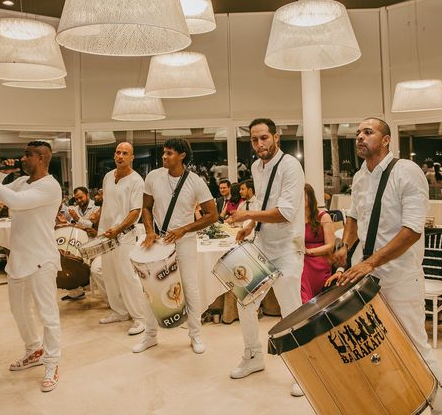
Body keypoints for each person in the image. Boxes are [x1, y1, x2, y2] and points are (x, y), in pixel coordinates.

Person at [326, 118, 442, 414]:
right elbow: (354, 219)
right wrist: (344, 247)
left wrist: (370, 262)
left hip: (399, 275)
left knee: (414, 346)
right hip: (364, 272)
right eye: (358, 133)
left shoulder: (406, 172)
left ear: (386, 140)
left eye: (368, 132)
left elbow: (412, 230)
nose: (360, 137)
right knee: (371, 346)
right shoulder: (360, 177)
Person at [0, 141, 62, 392]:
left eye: (27, 155)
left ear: (41, 158)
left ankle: (52, 362)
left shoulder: (50, 186)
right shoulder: (20, 182)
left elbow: (16, 202)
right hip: (19, 258)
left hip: (42, 258)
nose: (22, 158)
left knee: (47, 315)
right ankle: (34, 350)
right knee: (19, 310)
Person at [228, 118, 305, 397]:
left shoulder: (291, 166)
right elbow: (263, 202)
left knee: (291, 311)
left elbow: (285, 211)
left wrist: (247, 214)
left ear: (276, 137)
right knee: (245, 301)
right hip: (262, 244)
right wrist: (251, 226)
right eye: (254, 140)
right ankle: (253, 356)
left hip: (287, 249)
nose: (259, 144)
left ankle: (303, 369)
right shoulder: (256, 167)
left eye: (264, 138)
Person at [132, 138, 218, 355]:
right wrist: (150, 231)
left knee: (190, 288)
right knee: (150, 289)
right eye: (164, 152)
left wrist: (184, 229)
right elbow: (146, 207)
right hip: (159, 240)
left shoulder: (196, 181)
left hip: (185, 242)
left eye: (169, 153)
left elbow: (212, 215)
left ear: (182, 156)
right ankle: (150, 336)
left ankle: (195, 335)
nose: (164, 156)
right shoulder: (153, 176)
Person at [96, 143, 146, 336]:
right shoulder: (108, 177)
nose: (120, 156)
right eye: (118, 152)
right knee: (109, 273)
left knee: (127, 276)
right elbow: (108, 206)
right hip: (106, 234)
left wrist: (118, 228)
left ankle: (140, 318)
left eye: (125, 153)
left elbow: (136, 212)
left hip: (125, 235)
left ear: (132, 157)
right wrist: (101, 228)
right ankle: (119, 311)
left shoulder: (136, 181)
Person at [301, 183, 334, 303]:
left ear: (310, 197)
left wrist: (309, 251)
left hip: (319, 259)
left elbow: (330, 246)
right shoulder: (296, 218)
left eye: (303, 196)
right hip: (302, 260)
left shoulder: (323, 217)